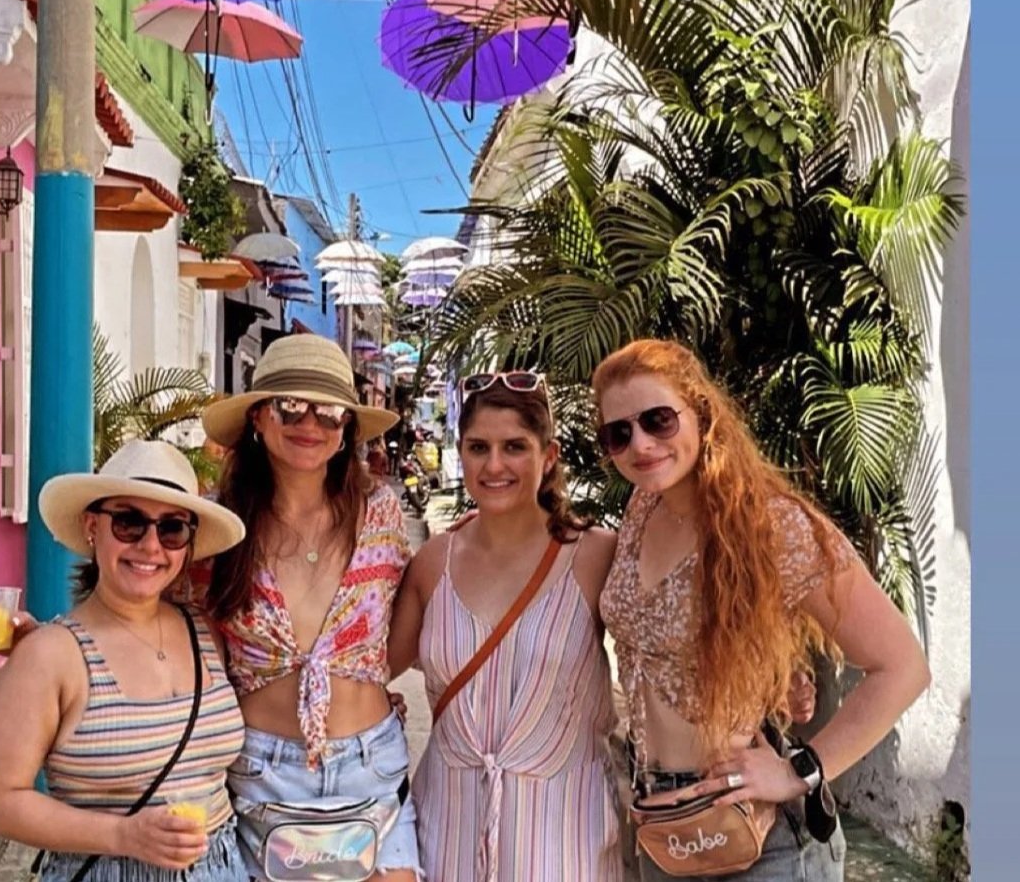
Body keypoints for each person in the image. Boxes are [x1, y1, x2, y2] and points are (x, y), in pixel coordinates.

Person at [593, 339, 932, 882]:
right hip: (664, 829)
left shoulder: (774, 527)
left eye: (658, 419)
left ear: (700, 413)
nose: (641, 444)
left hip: (759, 836)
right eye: (619, 433)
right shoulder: (641, 509)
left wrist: (802, 771)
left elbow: (902, 667)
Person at [0, 440, 251, 882]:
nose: (150, 545)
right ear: (91, 527)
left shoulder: (206, 634)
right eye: (128, 522)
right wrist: (125, 835)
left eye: (172, 528)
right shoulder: (51, 655)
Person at [198, 335, 421, 882]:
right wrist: (54, 642)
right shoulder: (218, 527)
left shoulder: (381, 514)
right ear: (257, 417)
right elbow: (156, 618)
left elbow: (424, 599)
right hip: (260, 776)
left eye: (330, 412)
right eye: (290, 406)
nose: (310, 424)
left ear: (347, 429)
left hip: (372, 771)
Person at [388, 370, 624, 881]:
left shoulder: (595, 555)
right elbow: (364, 670)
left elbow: (672, 642)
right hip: (446, 834)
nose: (494, 465)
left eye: (514, 446)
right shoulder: (433, 563)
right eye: (479, 448)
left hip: (566, 841)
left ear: (549, 455)